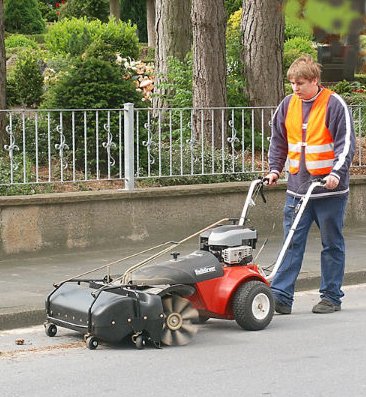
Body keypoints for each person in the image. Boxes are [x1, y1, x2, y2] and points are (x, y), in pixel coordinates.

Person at [265, 54, 355, 315]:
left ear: (315, 81)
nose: (295, 88)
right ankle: (281, 296)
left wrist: (337, 173)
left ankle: (331, 296)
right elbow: (278, 141)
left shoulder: (334, 104)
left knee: (332, 244)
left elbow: (345, 144)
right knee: (291, 242)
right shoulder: (287, 104)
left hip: (329, 190)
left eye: (301, 83)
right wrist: (274, 169)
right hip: (297, 189)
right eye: (292, 83)